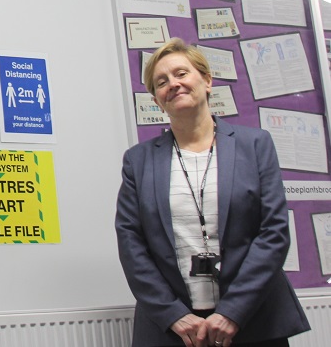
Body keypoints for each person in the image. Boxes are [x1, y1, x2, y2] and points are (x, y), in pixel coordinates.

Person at [115, 38, 309, 347]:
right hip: (173, 329)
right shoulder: (139, 161)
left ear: (206, 80)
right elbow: (131, 242)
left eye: (181, 73)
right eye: (161, 82)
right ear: (157, 101)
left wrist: (232, 312)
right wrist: (172, 314)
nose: (173, 84)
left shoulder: (255, 145)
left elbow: (274, 232)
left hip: (253, 320)